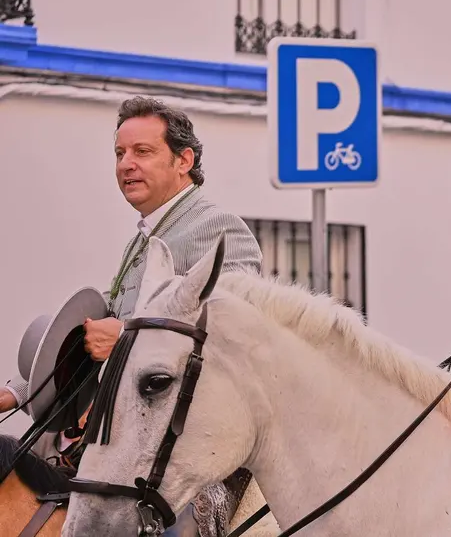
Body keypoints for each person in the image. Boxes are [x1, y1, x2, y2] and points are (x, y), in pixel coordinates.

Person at [1, 95, 263, 533]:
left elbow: (234, 333)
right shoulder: (143, 239)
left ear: (185, 160)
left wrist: (123, 335)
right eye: (120, 153)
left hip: (190, 441)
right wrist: (16, 391)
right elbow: (86, 343)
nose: (126, 164)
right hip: (134, 430)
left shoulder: (217, 226)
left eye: (143, 151)